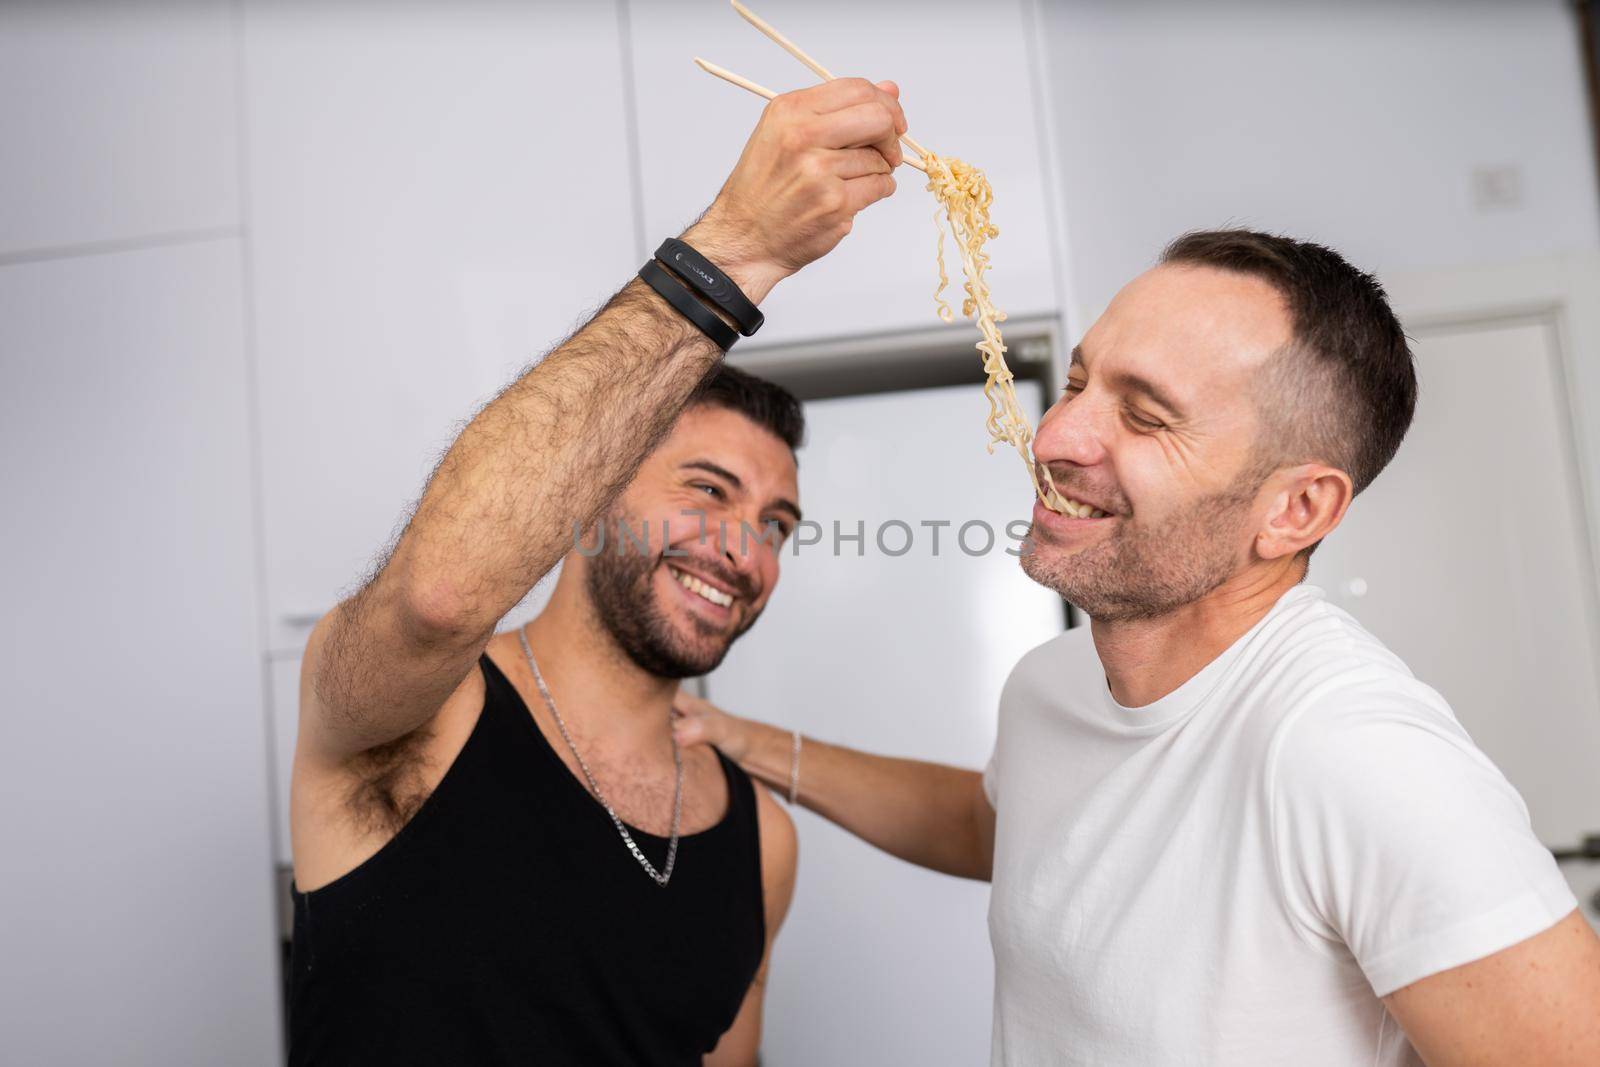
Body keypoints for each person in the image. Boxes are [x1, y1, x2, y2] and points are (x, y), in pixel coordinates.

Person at [674, 229, 1600, 1065]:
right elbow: (991, 827)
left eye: (1147, 416)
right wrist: (740, 738)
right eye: (1080, 383)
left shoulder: (1355, 751)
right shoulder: (1053, 684)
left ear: (1296, 509)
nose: (1055, 436)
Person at [286, 77, 911, 1065]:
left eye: (775, 523)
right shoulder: (415, 716)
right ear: (589, 496)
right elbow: (434, 594)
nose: (741, 548)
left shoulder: (763, 841)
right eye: (705, 490)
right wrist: (737, 249)